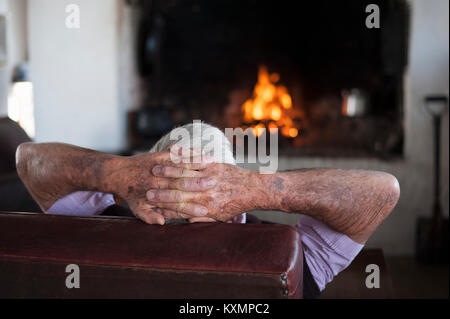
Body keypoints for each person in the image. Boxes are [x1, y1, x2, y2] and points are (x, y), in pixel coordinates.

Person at [15, 122, 400, 298]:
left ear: (145, 175)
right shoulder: (290, 257)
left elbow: (28, 159)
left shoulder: (95, 226)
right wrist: (257, 187)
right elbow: (383, 192)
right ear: (235, 212)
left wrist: (116, 173)